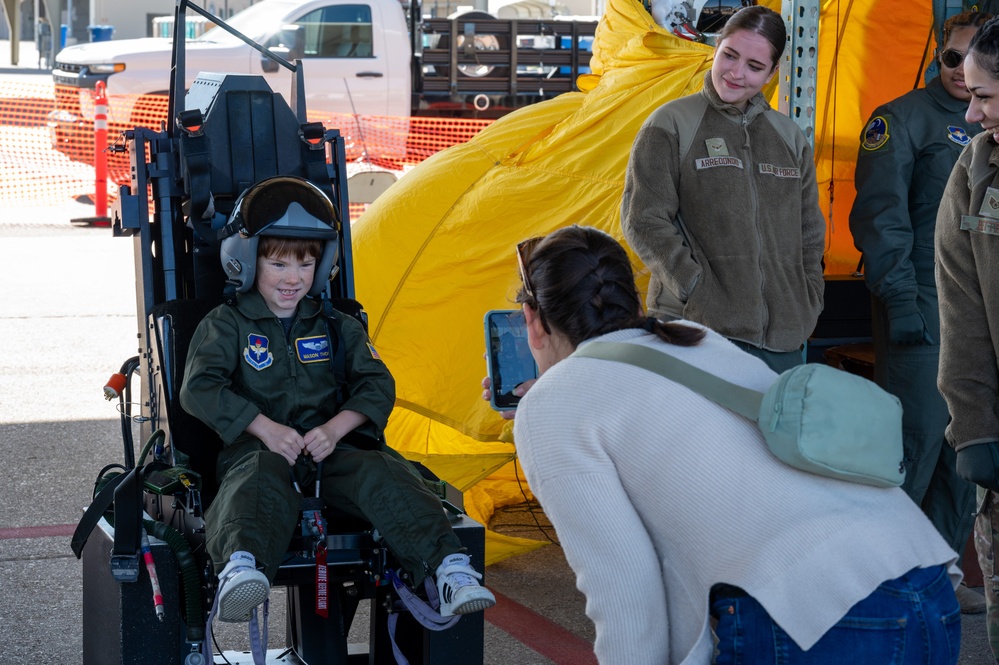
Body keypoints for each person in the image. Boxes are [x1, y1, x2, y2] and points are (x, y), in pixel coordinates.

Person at [507, 224, 962, 664]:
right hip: (924, 582)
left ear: (533, 320)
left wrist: (545, 406)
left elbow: (623, 586)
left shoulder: (555, 403)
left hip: (816, 620)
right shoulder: (697, 341)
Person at [179, 176, 495, 627]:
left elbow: (376, 384)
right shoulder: (226, 324)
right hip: (257, 451)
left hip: (334, 452)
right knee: (254, 481)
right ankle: (242, 567)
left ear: (321, 265)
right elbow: (200, 387)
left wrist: (334, 430)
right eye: (278, 264)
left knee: (384, 471)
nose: (293, 278)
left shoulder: (335, 324)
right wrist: (266, 430)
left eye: (305, 266)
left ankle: (448, 569)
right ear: (247, 261)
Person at [849, 10, 990, 614]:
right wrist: (902, 305)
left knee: (968, 453)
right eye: (952, 57)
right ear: (938, 56)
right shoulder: (899, 120)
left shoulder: (988, 120)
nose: (961, 72)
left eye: (972, 59)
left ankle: (938, 577)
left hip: (977, 317)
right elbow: (881, 221)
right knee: (914, 448)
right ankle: (882, 582)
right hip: (922, 313)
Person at [620, 5, 825, 374]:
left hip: (782, 342)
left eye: (754, 66)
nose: (736, 73)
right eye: (729, 55)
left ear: (772, 73)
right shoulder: (671, 122)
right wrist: (695, 288)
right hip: (696, 333)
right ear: (716, 48)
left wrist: (807, 299)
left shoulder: (789, 137)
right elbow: (644, 219)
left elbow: (809, 232)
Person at [936, 15, 999, 661]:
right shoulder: (974, 169)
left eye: (984, 96)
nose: (974, 112)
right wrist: (974, 426)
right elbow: (960, 303)